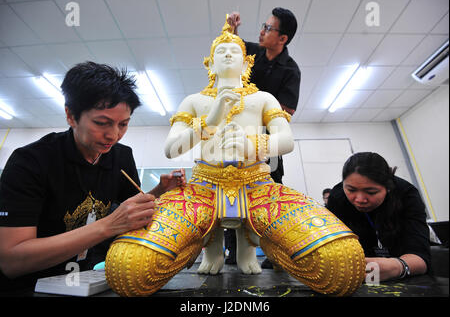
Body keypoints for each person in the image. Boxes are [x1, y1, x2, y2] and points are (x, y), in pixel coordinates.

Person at [104, 18, 365, 297]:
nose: (228, 54)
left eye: (235, 51)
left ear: (246, 64)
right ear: (210, 64)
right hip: (202, 189)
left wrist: (251, 143)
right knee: (125, 271)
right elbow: (172, 149)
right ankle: (199, 243)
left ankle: (266, 241)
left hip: (259, 188)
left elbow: (286, 141)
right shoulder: (194, 101)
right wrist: (209, 121)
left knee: (343, 264)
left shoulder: (263, 98)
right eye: (220, 52)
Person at [0, 61, 185, 293]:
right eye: (101, 123)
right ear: (71, 115)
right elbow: (11, 261)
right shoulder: (31, 162)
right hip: (31, 287)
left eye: (123, 124)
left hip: (86, 281)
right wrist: (107, 226)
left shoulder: (121, 156)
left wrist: (159, 191)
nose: (113, 135)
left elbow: (131, 211)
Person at [227, 8, 301, 268]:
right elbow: (232, 46)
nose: (261, 31)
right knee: (232, 191)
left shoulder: (291, 70)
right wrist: (233, 26)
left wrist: (256, 108)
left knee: (269, 193)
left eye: (268, 28)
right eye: (263, 26)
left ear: (283, 38)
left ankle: (274, 253)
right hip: (236, 140)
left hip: (267, 143)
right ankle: (233, 253)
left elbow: (287, 111)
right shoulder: (254, 51)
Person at [327, 152, 431, 281]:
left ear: (388, 187)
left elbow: (421, 259)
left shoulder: (406, 194)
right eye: (351, 190)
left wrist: (398, 266)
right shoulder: (338, 197)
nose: (359, 199)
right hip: (359, 275)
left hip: (403, 275)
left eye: (371, 192)